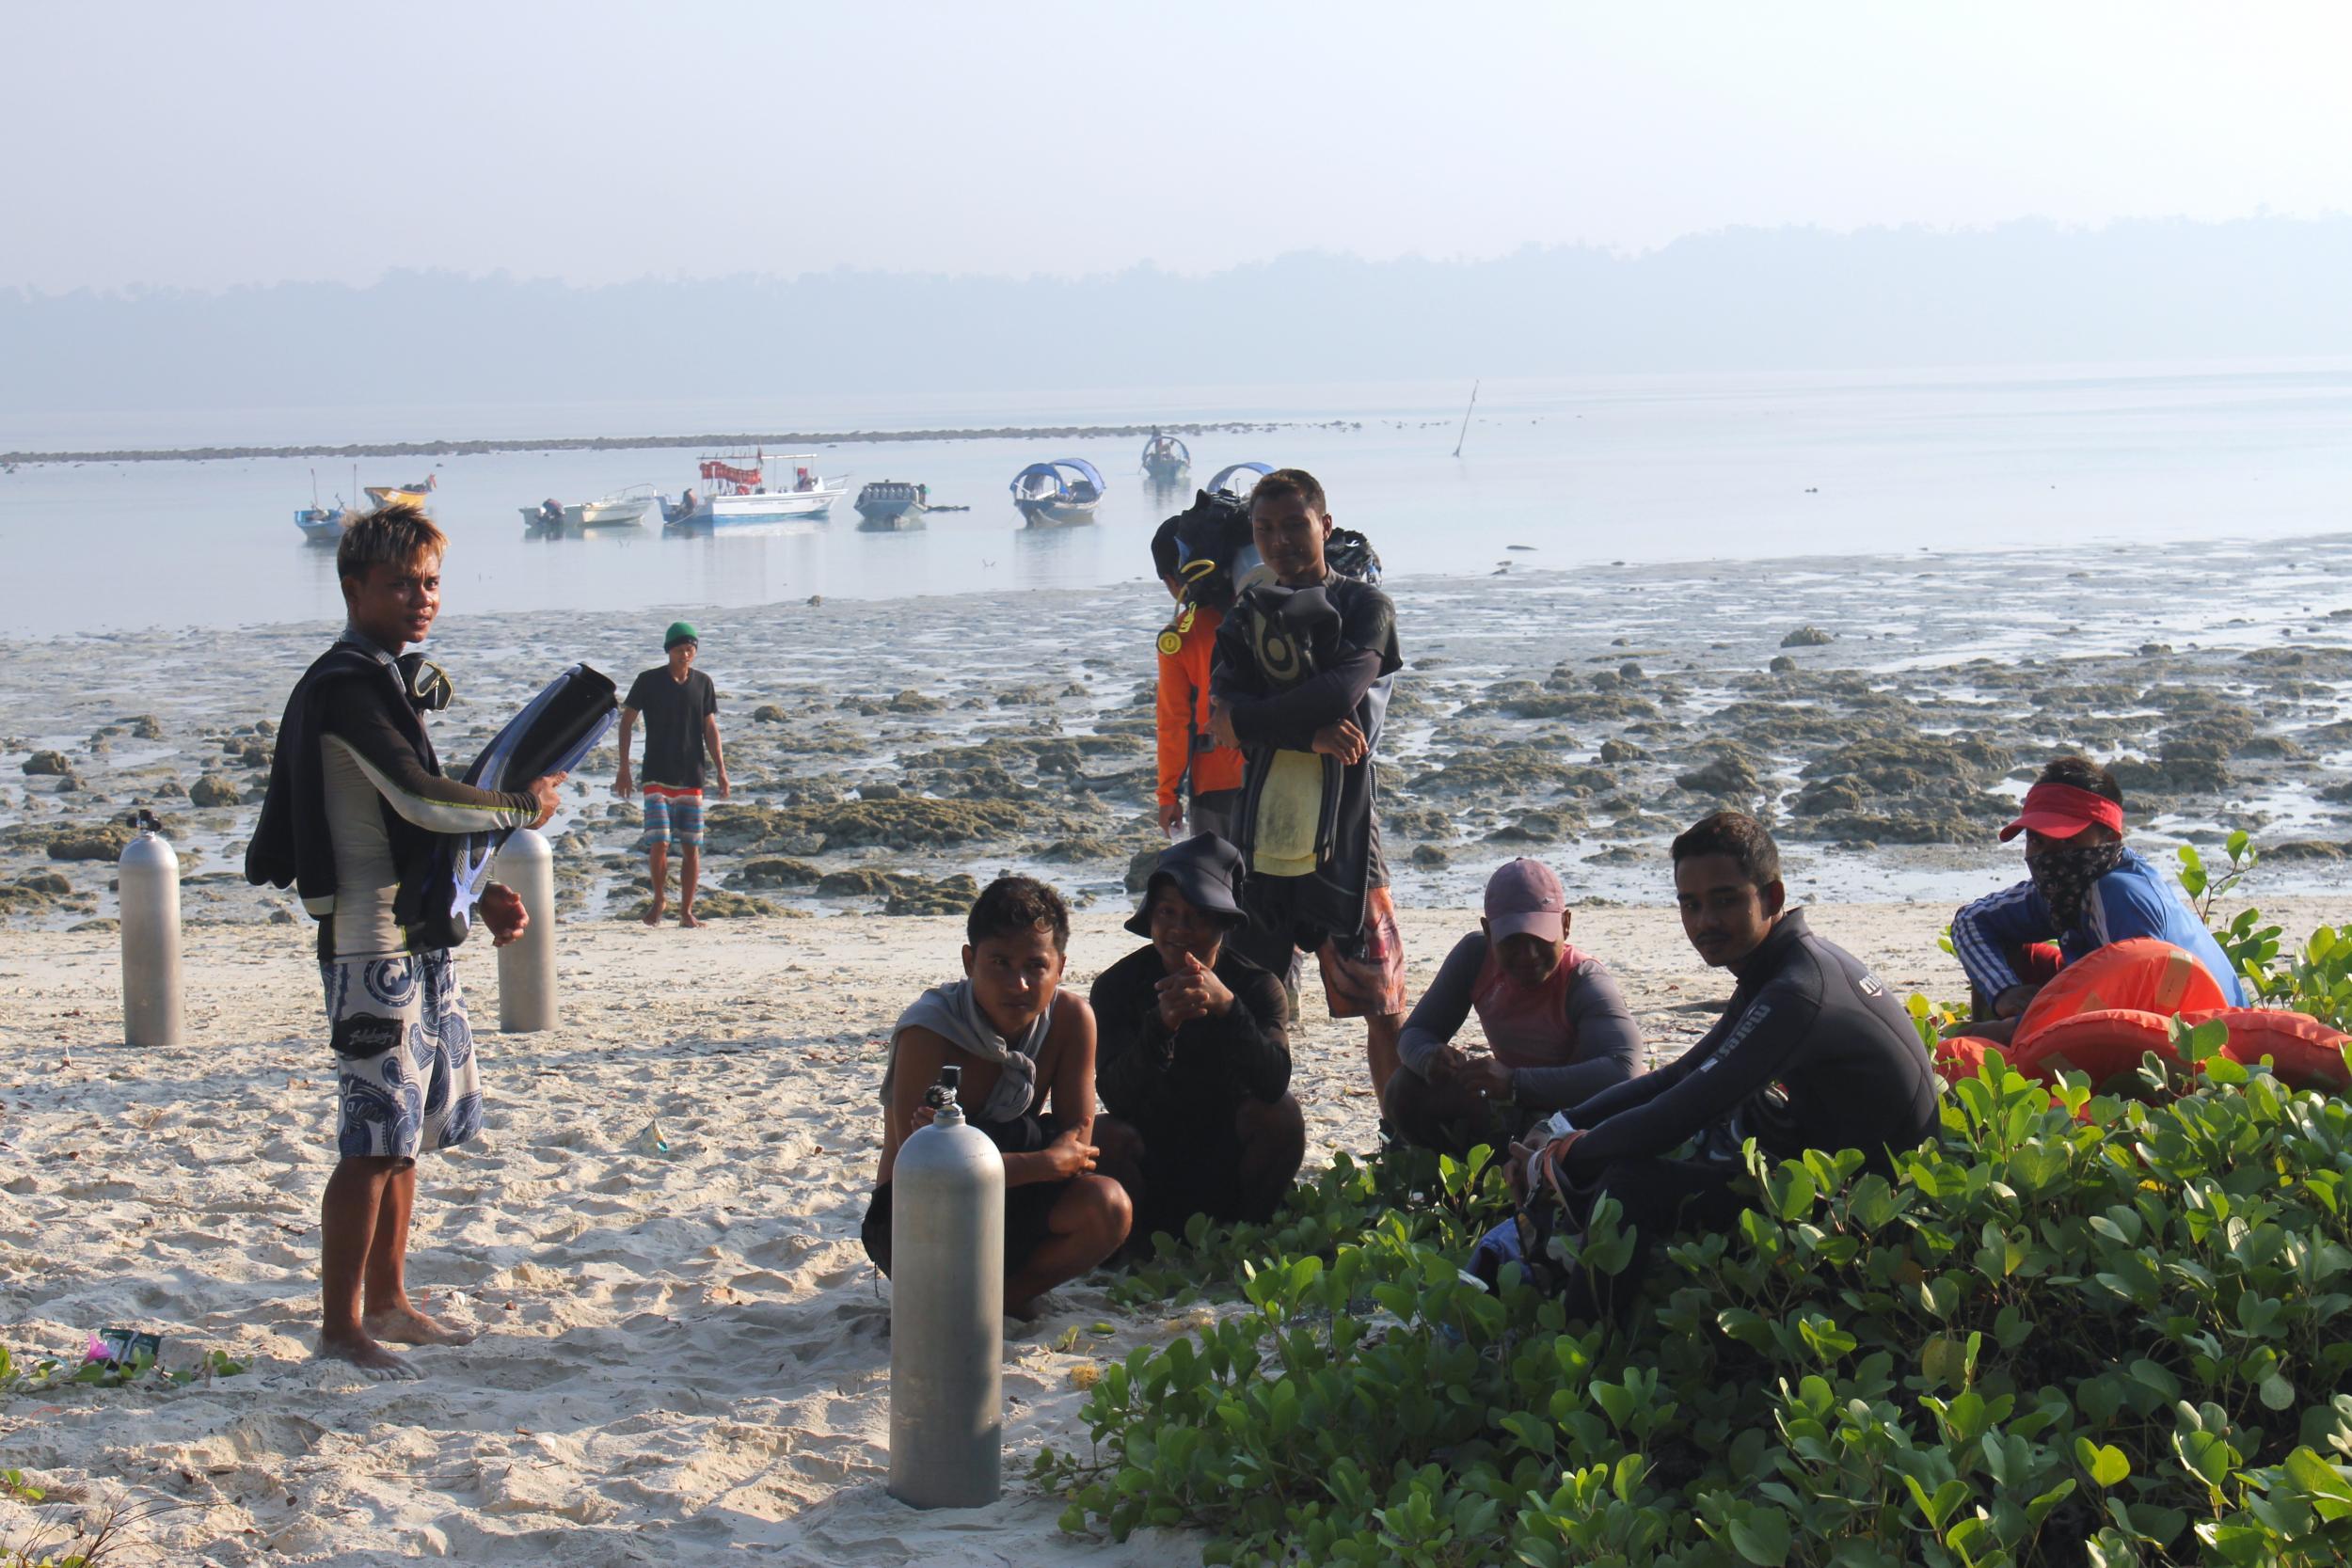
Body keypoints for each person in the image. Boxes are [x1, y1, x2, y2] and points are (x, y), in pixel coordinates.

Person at [245, 501, 563, 1375]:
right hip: (366, 945)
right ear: (355, 588)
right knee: (370, 1141)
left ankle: (388, 1300)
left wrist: (484, 889)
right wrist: (520, 809)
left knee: (411, 1133)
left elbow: (410, 826)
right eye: (401, 584)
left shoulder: (386, 676)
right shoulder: (347, 685)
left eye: (430, 582)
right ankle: (340, 1324)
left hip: (418, 935)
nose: (422, 597)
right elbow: (421, 796)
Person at [1513, 811, 1939, 1323]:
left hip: (1869, 1208)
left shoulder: (1797, 993)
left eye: (1725, 900)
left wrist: (1560, 1160)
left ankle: (1585, 1352)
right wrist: (1556, 1126)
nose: (1705, 922)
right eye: (1689, 905)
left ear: (1773, 898)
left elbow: (1682, 1109)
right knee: (1646, 1145)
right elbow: (1683, 1073)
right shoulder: (1782, 966)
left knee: (1630, 1183)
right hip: (1822, 1165)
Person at [1207, 467, 1408, 1100]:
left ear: (1324, 523)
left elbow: (1342, 690)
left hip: (1350, 830)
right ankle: (1263, 1130)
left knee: (1381, 993)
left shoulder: (1364, 606)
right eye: (1264, 529)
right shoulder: (1247, 612)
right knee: (1262, 996)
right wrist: (1306, 735)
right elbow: (1221, 723)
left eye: (1295, 524)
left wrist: (1255, 720)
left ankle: (1401, 1127)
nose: (1281, 541)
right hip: (1262, 829)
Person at [863, 876, 1132, 1316]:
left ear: (1060, 967)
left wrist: (1046, 1161)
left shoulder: (1071, 1020)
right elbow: (924, 1170)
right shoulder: (929, 1030)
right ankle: (956, 1302)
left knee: (1109, 1206)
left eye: (1035, 966)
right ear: (970, 961)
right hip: (921, 1216)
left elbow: (1077, 1143)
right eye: (1000, 963)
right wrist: (1043, 1164)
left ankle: (993, 1304)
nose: (1019, 983)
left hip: (1011, 1200)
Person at [1089, 834, 1306, 1244]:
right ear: (1150, 917)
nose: (1179, 930)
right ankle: (1133, 1246)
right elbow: (1116, 1096)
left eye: (1197, 917)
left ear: (1224, 923)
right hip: (1149, 1159)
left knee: (1283, 1115)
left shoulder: (1258, 987)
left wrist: (1228, 1008)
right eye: (1167, 912)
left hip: (1228, 1161)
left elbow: (1274, 1083)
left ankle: (1247, 1233)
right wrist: (1162, 1025)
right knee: (1103, 1135)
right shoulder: (1116, 987)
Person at [1949, 754, 2247, 1038]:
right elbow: (1971, 920)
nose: (2048, 858)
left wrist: (2014, 1030)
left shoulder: (2121, 895)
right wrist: (2004, 992)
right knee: (2006, 954)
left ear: (2109, 839)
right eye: (2036, 840)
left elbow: (2135, 1007)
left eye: (2067, 841)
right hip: (2133, 1006)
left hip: (2198, 1032)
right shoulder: (2066, 887)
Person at [1385, 859, 1641, 1156]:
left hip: (1575, 1118)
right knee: (1403, 1089)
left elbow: (1624, 1071)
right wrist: (1429, 1058)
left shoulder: (1584, 980)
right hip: (1511, 1107)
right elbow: (1414, 1033)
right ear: (1488, 932)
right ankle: (1470, 1188)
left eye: (1540, 938)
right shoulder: (1474, 956)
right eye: (1512, 941)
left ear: (1566, 925)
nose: (1528, 954)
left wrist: (1515, 1084)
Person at [612, 622, 729, 927]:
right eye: (679, 650)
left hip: (692, 775)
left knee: (691, 846)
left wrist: (721, 770)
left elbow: (710, 728)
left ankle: (687, 911)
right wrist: (624, 768)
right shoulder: (648, 681)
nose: (685, 654)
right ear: (668, 651)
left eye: (690, 649)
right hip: (656, 774)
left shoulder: (703, 683)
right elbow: (626, 722)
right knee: (659, 842)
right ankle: (659, 900)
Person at [1149, 504, 1248, 842]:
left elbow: (1175, 722)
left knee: (1224, 888)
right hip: (1281, 769)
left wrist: (1168, 795)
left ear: (1171, 580)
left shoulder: (1180, 637)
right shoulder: (1266, 610)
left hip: (1217, 783)